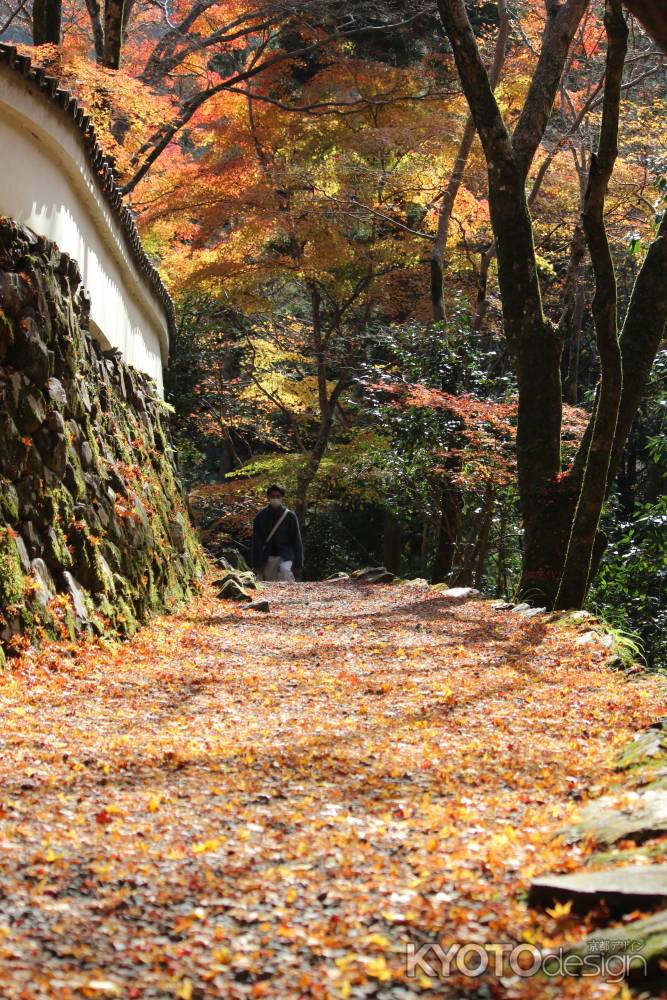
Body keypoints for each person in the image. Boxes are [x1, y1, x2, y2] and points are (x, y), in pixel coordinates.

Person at [251, 484, 303, 581]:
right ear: (268, 497)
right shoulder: (260, 517)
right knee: (270, 583)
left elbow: (296, 540)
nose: (275, 499)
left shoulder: (290, 516)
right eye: (273, 496)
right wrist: (257, 565)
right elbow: (256, 542)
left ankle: (289, 595)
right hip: (267, 556)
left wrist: (298, 564)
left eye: (278, 496)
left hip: (286, 555)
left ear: (282, 497)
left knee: (285, 572)